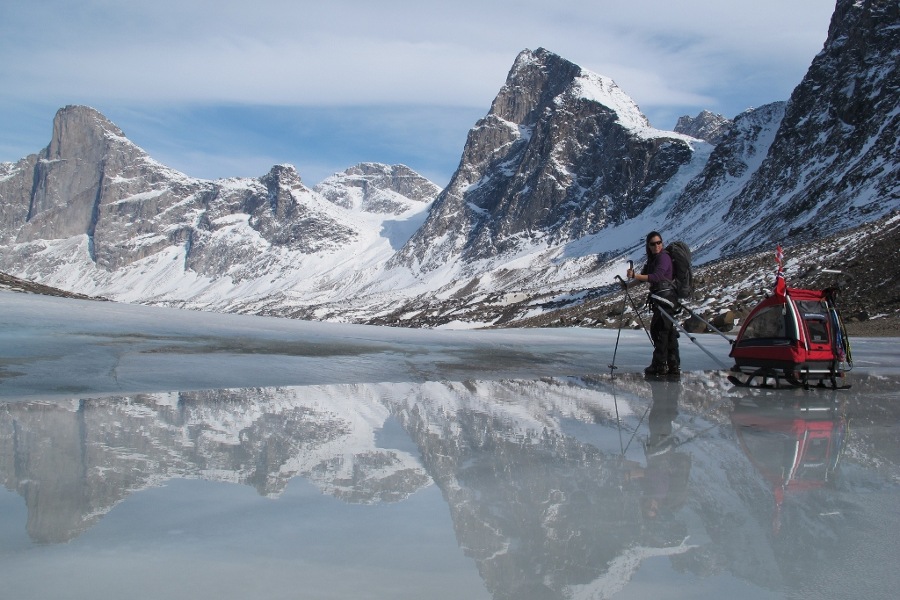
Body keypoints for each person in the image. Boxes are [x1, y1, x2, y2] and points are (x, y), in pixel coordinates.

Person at [625, 231, 680, 376]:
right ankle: (673, 365)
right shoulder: (652, 260)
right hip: (662, 299)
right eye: (653, 244)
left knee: (660, 331)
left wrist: (634, 275)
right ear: (648, 246)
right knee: (667, 332)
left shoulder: (664, 258)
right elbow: (644, 278)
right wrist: (628, 286)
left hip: (666, 298)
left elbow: (657, 276)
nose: (656, 246)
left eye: (659, 243)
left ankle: (660, 365)